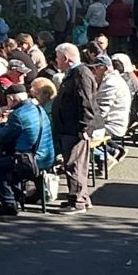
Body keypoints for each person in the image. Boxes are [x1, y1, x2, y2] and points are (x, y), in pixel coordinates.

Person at [0, 80, 55, 214]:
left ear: (12, 98)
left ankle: (9, 204)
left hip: (29, 161)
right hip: (47, 157)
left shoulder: (18, 115)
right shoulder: (38, 109)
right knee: (10, 157)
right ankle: (18, 195)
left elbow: (2, 137)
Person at [49, 44, 102, 213]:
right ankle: (81, 198)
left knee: (75, 165)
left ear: (66, 58)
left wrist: (85, 128)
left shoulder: (80, 74)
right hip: (69, 127)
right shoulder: (75, 73)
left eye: (58, 57)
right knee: (74, 164)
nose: (56, 61)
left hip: (75, 129)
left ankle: (77, 202)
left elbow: (86, 101)